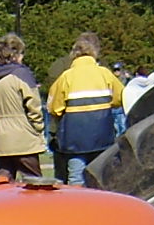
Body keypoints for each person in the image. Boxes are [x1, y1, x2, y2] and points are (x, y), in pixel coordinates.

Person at [46, 32, 126, 186]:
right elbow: (120, 97)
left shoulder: (66, 76)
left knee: (76, 178)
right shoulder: (104, 73)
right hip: (102, 136)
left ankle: (77, 208)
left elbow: (54, 108)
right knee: (103, 177)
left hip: (75, 139)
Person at [0, 33, 46, 180]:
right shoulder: (22, 74)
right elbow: (34, 105)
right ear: (16, 54)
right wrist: (38, 128)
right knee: (35, 183)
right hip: (23, 136)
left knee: (3, 182)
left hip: (0, 135)